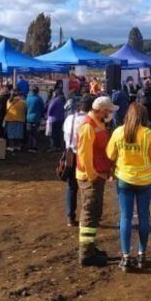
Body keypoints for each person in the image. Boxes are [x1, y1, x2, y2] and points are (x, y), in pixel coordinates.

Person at [107, 103, 151, 272]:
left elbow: (110, 154)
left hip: (124, 179)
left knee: (125, 217)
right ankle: (141, 254)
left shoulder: (118, 132)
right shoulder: (148, 134)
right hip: (145, 180)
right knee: (144, 217)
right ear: (143, 117)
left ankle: (125, 257)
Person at [76, 96, 117, 267]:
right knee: (90, 214)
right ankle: (86, 254)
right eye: (108, 111)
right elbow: (84, 155)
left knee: (93, 213)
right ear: (102, 110)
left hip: (97, 175)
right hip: (91, 177)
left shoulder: (97, 124)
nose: (110, 114)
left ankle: (90, 248)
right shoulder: (88, 126)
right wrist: (92, 175)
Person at [63, 95, 94, 226]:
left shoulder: (70, 118)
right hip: (84, 156)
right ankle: (85, 216)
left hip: (70, 155)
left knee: (71, 187)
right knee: (86, 188)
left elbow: (64, 134)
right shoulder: (89, 122)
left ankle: (70, 216)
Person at [25, 86, 46, 153]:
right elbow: (43, 109)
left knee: (29, 133)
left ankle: (29, 147)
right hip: (36, 118)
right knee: (35, 134)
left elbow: (25, 108)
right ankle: (34, 147)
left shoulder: (27, 99)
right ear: (37, 91)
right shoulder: (39, 99)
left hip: (28, 118)